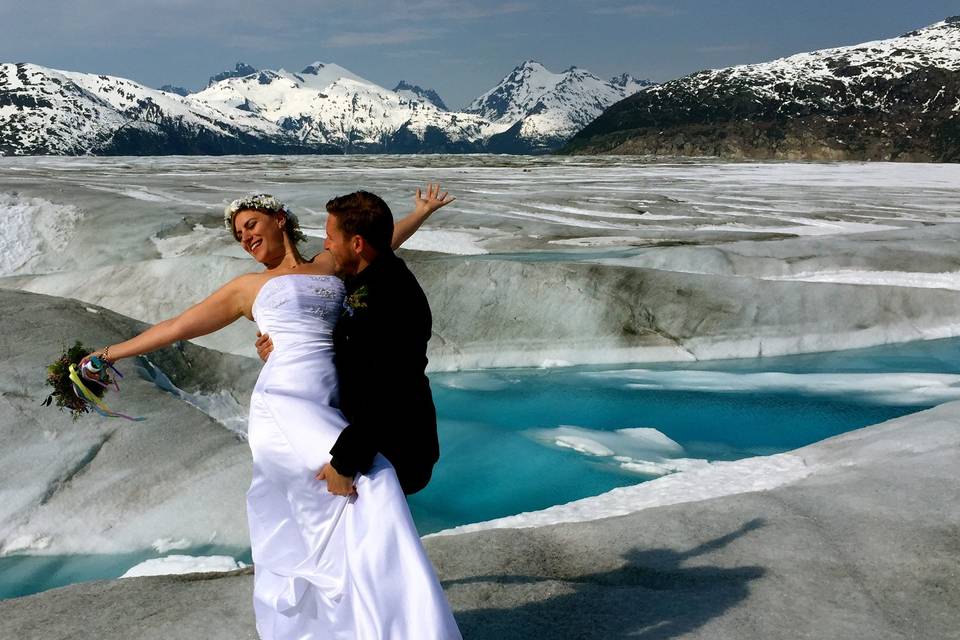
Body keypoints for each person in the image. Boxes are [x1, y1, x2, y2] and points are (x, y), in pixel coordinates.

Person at [81, 185, 462, 640]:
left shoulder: (329, 262)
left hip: (330, 400)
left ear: (279, 219)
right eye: (238, 234)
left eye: (251, 225)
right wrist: (108, 353)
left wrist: (419, 213)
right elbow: (178, 326)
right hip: (284, 401)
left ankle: (351, 622)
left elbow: (379, 240)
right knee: (369, 486)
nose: (245, 238)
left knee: (339, 508)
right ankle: (405, 626)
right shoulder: (247, 288)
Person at [255, 190, 440, 496]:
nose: (326, 245)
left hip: (393, 449)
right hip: (368, 440)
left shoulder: (392, 294)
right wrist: (285, 348)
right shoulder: (365, 274)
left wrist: (346, 462)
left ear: (357, 244)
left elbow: (391, 386)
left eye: (330, 237)